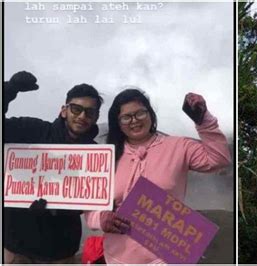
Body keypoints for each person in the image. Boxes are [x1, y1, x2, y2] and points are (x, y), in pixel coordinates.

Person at [85, 88, 231, 264]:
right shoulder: (106, 156)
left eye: (140, 113)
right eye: (126, 117)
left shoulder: (179, 146)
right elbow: (90, 205)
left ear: (150, 114)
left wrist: (204, 120)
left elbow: (219, 159)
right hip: (117, 258)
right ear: (118, 122)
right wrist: (99, 218)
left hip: (165, 258)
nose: (134, 121)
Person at [3, 71, 103, 263]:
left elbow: (91, 200)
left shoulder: (96, 155)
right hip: (17, 248)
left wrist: (61, 207)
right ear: (64, 110)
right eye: (76, 109)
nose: (82, 116)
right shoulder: (33, 130)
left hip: (61, 253)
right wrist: (9, 89)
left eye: (89, 112)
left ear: (95, 117)